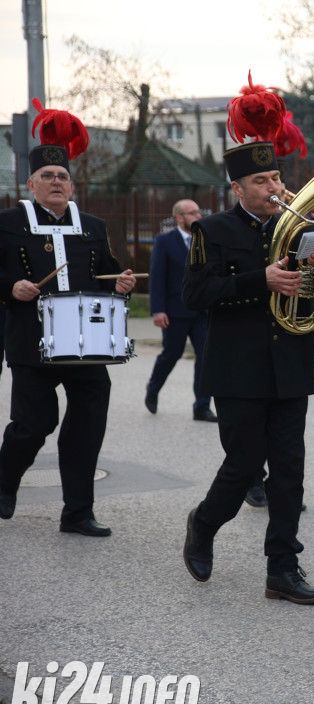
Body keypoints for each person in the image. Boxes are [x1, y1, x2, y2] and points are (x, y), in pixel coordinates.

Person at [181, 76, 314, 603]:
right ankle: (204, 523)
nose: (274, 188)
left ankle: (282, 568)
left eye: (276, 177)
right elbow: (195, 293)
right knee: (243, 466)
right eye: (261, 181)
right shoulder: (211, 231)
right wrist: (258, 281)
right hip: (237, 368)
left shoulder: (305, 228)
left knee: (289, 471)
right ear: (238, 189)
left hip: (290, 365)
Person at [0, 100, 137, 534]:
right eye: (48, 177)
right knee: (33, 425)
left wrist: (118, 285)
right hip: (31, 341)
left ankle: (78, 512)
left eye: (63, 177)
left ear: (72, 187)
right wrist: (11, 288)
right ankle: (4, 482)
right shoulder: (6, 222)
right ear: (32, 183)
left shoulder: (92, 226)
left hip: (88, 343)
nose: (56, 182)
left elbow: (106, 273)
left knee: (86, 428)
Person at [145, 199, 216, 422]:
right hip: (175, 312)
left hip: (203, 312)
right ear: (179, 218)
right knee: (171, 355)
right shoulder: (165, 241)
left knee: (206, 358)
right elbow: (157, 278)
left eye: (199, 211)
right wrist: (158, 310)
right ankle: (153, 388)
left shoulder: (206, 240)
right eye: (192, 212)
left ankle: (202, 406)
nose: (198, 216)